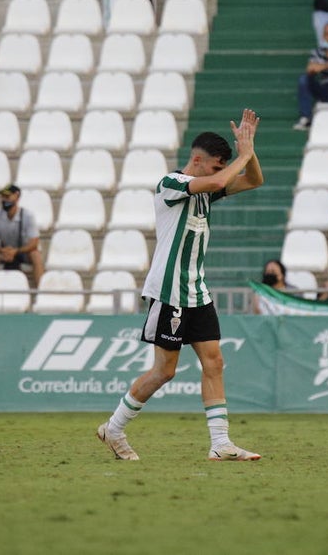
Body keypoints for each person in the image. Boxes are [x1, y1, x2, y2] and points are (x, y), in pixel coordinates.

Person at [97, 110, 264, 462]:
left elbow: (253, 180)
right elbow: (218, 183)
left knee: (214, 362)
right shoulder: (170, 184)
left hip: (197, 291)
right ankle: (114, 428)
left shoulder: (206, 190)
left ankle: (220, 443)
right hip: (169, 291)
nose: (219, 172)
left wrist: (249, 152)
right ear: (198, 160)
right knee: (165, 371)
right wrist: (242, 156)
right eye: (216, 166)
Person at [0, 183, 45, 292]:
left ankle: (40, 291)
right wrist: (2, 251)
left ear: (17, 196)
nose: (4, 200)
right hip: (4, 251)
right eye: (2, 197)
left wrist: (16, 251)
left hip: (23, 252)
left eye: (7, 196)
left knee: (36, 255)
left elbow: (34, 243)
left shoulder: (28, 215)